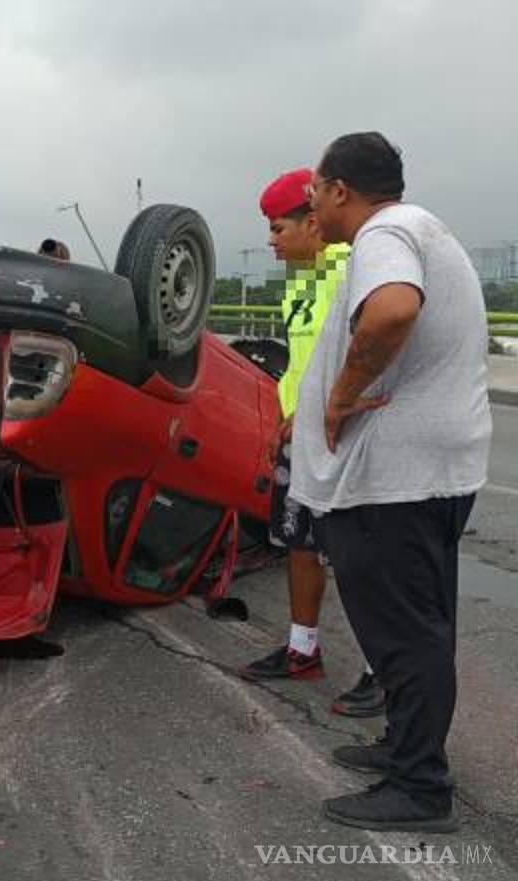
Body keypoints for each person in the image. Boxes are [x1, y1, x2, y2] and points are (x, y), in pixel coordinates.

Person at [292, 132, 492, 833]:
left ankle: (419, 787)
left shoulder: (386, 233)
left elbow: (393, 310)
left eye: (315, 188)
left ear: (341, 189)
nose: (310, 200)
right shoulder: (418, 228)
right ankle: (405, 750)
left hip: (397, 481)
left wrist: (342, 394)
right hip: (427, 473)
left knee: (405, 634)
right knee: (418, 628)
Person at [238, 168, 384, 718]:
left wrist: (320, 408)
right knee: (299, 541)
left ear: (313, 223)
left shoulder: (353, 270)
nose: (271, 241)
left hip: (341, 437)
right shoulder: (302, 279)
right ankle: (303, 649)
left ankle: (382, 668)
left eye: (279, 228)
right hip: (301, 440)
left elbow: (370, 348)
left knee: (354, 552)